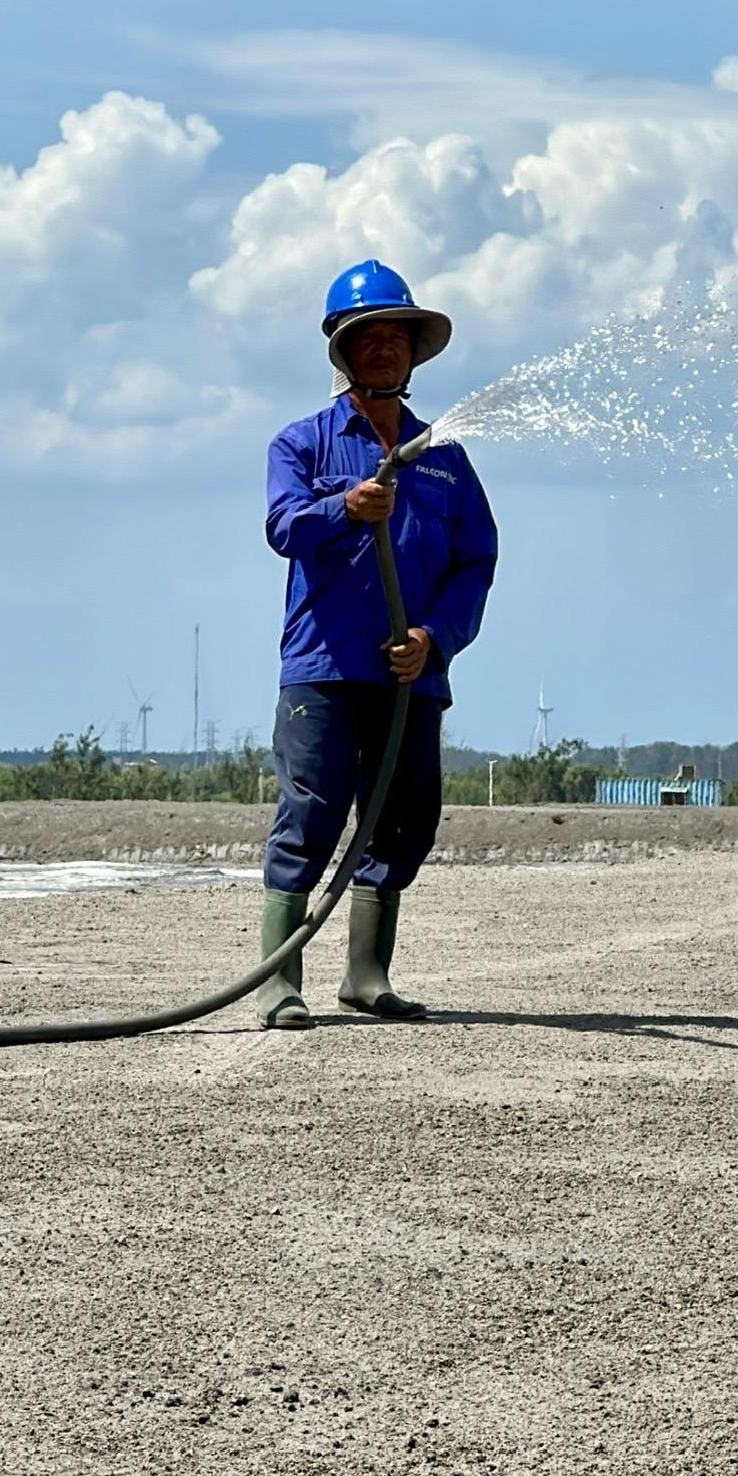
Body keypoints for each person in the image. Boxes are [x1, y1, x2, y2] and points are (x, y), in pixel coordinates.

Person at [256, 259, 500, 1030]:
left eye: (400, 336)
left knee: (405, 818)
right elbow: (283, 526)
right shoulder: (302, 444)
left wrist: (434, 637)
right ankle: (276, 982)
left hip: (410, 676)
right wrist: (345, 509)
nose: (387, 349)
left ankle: (366, 976)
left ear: (415, 352)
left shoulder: (446, 458)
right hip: (325, 669)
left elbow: (476, 561)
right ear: (343, 350)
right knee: (313, 813)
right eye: (372, 338)